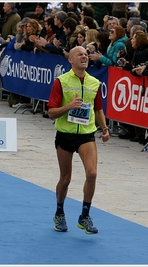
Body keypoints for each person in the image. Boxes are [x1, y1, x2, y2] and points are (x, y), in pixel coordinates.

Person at [47, 46, 110, 234]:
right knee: (65, 179)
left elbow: (98, 109)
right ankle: (59, 212)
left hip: (86, 135)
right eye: (79, 54)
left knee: (92, 174)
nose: (84, 56)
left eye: (86, 54)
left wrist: (105, 129)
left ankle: (85, 216)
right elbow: (51, 112)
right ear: (71, 60)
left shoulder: (95, 83)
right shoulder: (61, 81)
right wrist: (69, 106)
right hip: (65, 135)